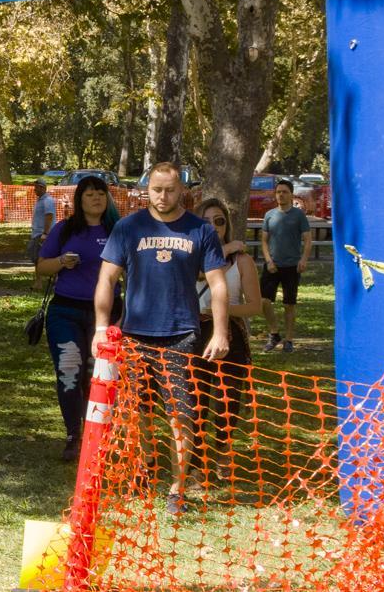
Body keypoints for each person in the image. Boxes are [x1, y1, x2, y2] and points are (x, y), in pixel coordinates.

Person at [94, 161, 229, 516]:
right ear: (147, 189)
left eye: (170, 190)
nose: (163, 196)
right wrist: (100, 327)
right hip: (135, 336)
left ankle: (177, 488)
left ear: (182, 190)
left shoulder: (200, 230)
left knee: (180, 416)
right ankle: (144, 467)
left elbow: (217, 285)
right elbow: (107, 278)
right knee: (138, 413)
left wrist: (220, 331)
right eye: (156, 189)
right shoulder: (128, 227)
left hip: (181, 335)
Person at [35, 174, 120, 460]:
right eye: (89, 194)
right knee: (69, 371)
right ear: (79, 200)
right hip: (65, 312)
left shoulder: (118, 230)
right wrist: (61, 262)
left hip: (106, 316)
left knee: (98, 376)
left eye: (101, 193)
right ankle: (73, 434)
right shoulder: (65, 229)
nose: (96, 198)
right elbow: (41, 267)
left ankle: (98, 436)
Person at [193, 197, 262, 478]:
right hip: (194, 333)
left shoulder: (242, 261)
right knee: (195, 400)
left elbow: (255, 306)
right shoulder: (188, 256)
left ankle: (222, 453)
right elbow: (198, 273)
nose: (214, 226)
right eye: (206, 221)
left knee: (229, 400)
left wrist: (222, 309)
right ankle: (195, 464)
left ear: (227, 224)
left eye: (219, 221)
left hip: (230, 334)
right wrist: (225, 249)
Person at [259, 178, 312, 354]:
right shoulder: (269, 215)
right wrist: (268, 261)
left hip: (292, 266)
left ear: (291, 195)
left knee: (289, 304)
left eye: (284, 192)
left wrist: (303, 260)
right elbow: (264, 241)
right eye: (278, 192)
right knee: (264, 301)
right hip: (272, 265)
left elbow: (307, 239)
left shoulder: (299, 215)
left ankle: (289, 340)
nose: (281, 195)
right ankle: (274, 333)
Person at [28, 178, 57, 269]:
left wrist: (45, 233)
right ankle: (39, 277)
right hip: (37, 234)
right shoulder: (40, 200)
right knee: (35, 258)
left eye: (36, 187)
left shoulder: (47, 200)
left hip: (42, 235)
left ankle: (44, 276)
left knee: (40, 258)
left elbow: (49, 216)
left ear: (42, 187)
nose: (34, 189)